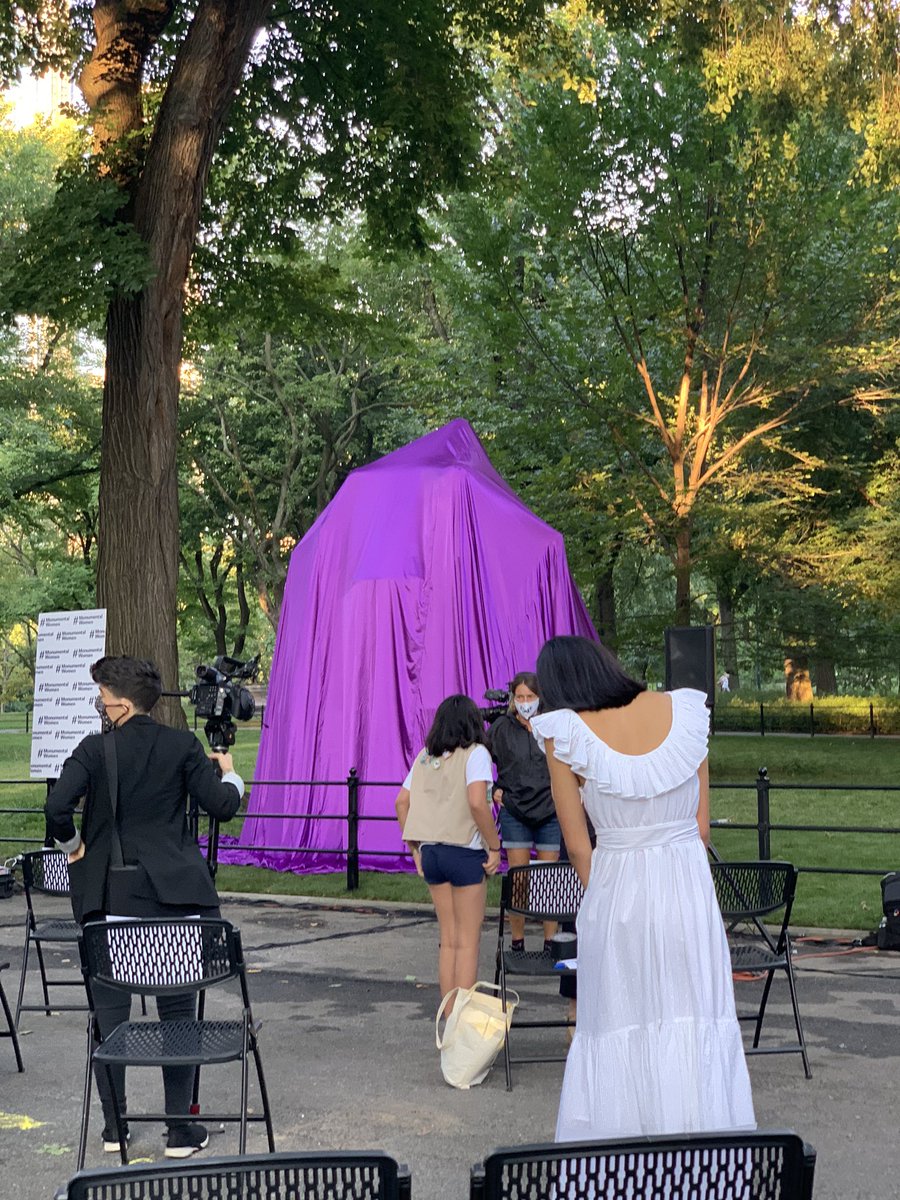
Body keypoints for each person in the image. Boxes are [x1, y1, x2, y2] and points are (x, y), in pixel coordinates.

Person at [531, 635, 755, 1141]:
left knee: (619, 1024)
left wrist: (605, 896)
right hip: (688, 893)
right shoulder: (686, 710)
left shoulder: (564, 732)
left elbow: (577, 845)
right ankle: (705, 1166)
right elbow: (700, 830)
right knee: (694, 1019)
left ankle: (624, 1170)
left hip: (618, 892)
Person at [45, 655, 244, 1159]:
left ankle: (116, 1129)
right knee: (177, 1016)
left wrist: (72, 847)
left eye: (102, 700)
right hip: (174, 904)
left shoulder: (94, 750)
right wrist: (233, 776)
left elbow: (55, 808)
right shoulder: (182, 745)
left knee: (110, 1020)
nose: (100, 707)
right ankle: (180, 1130)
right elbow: (221, 805)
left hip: (110, 903)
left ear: (123, 704)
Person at [395, 695, 501, 1004]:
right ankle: (462, 1024)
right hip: (465, 851)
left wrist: (415, 849)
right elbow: (478, 803)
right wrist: (494, 846)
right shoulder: (477, 754)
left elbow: (401, 802)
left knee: (449, 940)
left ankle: (448, 1014)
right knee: (468, 943)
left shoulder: (425, 757)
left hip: (432, 853)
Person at [488, 671, 560, 951]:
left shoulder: (551, 725)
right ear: (513, 699)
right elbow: (480, 759)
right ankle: (517, 942)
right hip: (515, 811)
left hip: (549, 811)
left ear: (539, 698)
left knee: (548, 880)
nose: (525, 702)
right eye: (520, 697)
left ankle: (550, 943)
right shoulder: (501, 728)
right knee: (519, 878)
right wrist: (492, 788)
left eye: (530, 697)